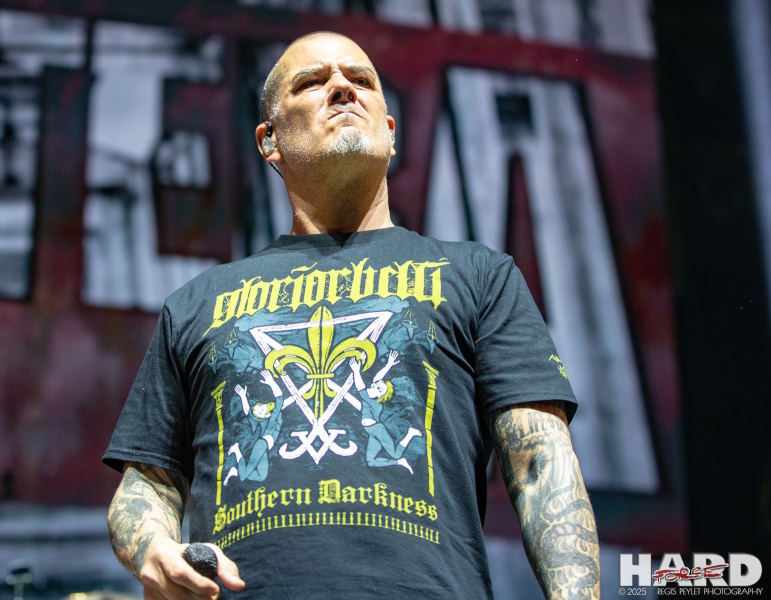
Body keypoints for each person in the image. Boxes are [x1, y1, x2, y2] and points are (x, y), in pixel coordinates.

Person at [104, 31, 600, 599]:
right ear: (270, 141)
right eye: (312, 83)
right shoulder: (197, 304)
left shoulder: (480, 276)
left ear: (390, 132)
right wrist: (154, 546)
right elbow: (147, 484)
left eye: (361, 80)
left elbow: (540, 464)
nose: (342, 88)